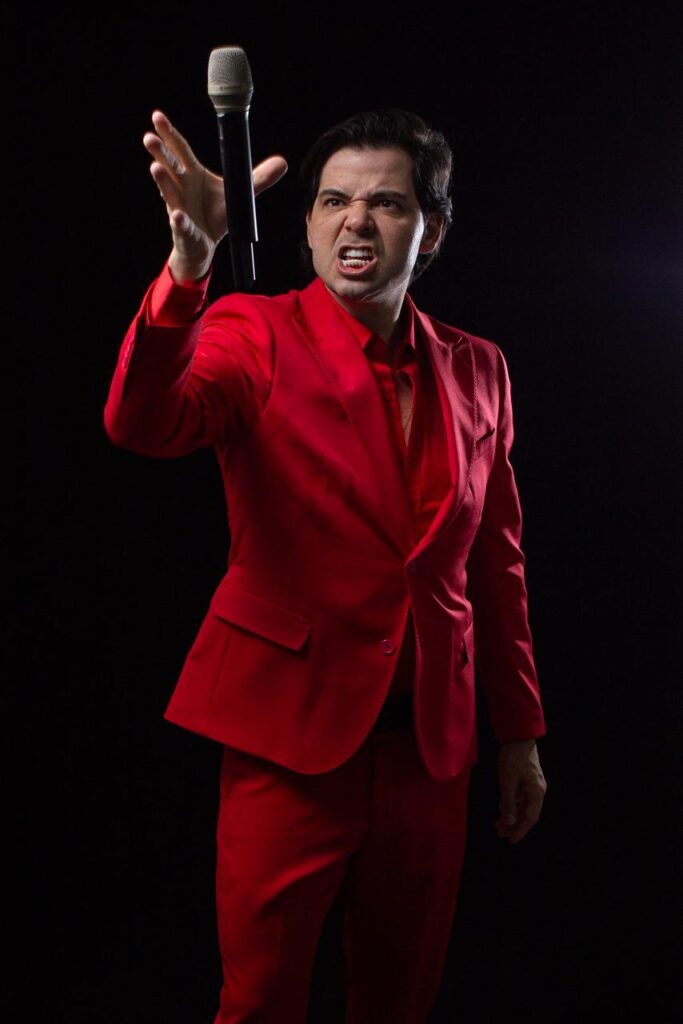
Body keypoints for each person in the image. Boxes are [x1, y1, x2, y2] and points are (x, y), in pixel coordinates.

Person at [104, 106, 547, 1023]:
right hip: (288, 743)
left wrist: (518, 732)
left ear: (431, 230)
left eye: (387, 202)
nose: (356, 221)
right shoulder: (251, 332)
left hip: (429, 752)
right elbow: (142, 421)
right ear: (305, 224)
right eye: (334, 201)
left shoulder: (481, 368)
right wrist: (188, 271)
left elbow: (494, 562)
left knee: (400, 1000)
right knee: (261, 1002)